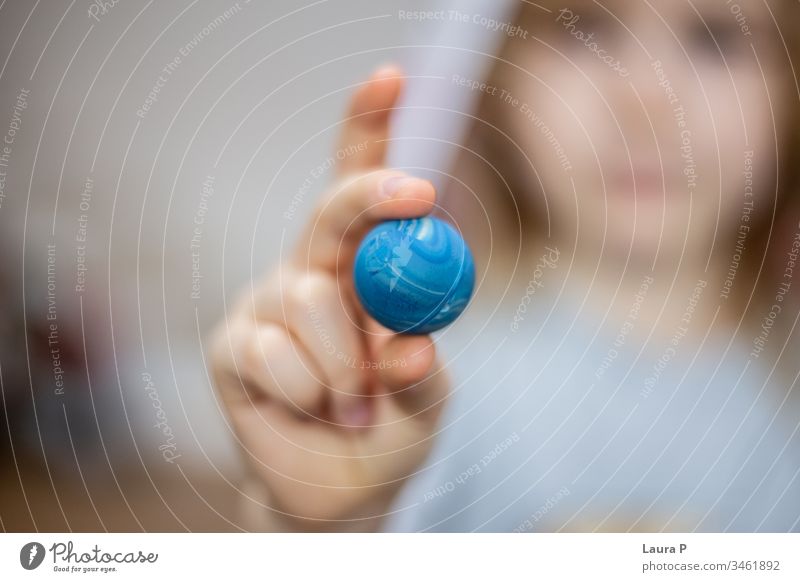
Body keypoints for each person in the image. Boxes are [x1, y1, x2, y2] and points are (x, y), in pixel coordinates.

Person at [209, 0, 800, 532]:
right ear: (493, 80)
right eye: (584, 29)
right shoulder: (416, 382)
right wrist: (330, 530)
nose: (645, 97)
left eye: (717, 39)